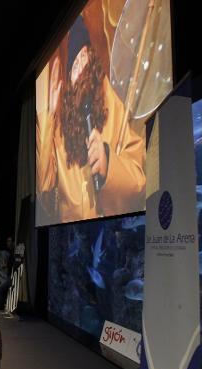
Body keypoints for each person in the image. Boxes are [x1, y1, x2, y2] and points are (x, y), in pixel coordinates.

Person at [36, 14, 145, 224]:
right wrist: (48, 117)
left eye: (82, 58)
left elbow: (139, 181)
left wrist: (108, 164)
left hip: (110, 227)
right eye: (73, 67)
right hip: (71, 232)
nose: (79, 70)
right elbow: (44, 184)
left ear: (91, 57)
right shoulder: (60, 127)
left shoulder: (112, 105)